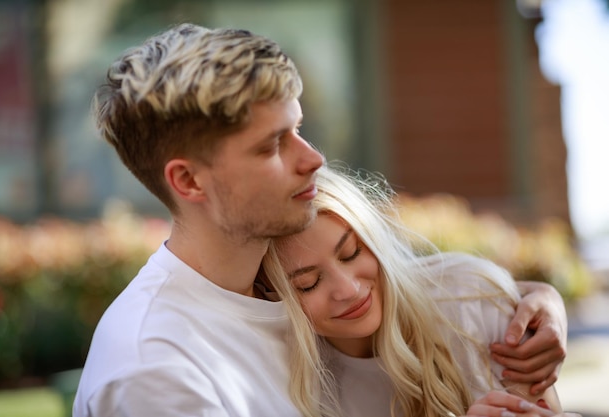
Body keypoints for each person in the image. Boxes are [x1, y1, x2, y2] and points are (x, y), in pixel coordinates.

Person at [73, 22, 567, 416]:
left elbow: (429, 294)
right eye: (272, 145)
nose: (313, 159)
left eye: (299, 130)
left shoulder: (271, 291)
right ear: (189, 182)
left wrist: (529, 299)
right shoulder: (156, 369)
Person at [262, 164, 572, 417]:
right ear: (272, 294)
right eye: (308, 284)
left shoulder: (469, 299)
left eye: (352, 252)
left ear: (374, 238)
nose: (349, 289)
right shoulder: (288, 379)